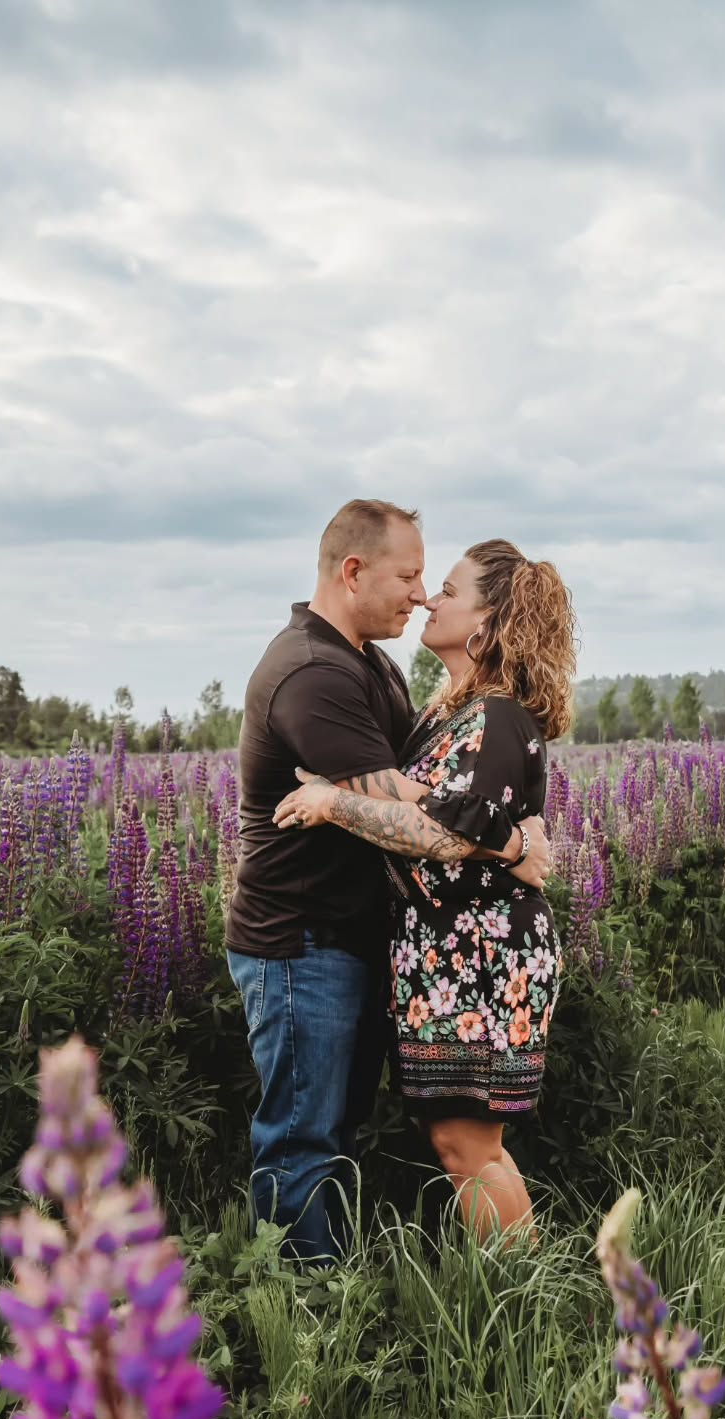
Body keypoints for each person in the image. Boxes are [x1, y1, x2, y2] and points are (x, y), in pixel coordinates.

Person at [225, 501, 551, 1262]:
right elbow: (409, 802)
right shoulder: (314, 673)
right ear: (353, 571)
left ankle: (519, 1293)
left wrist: (491, 833)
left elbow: (426, 803)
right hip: (303, 939)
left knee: (427, 1142)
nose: (421, 595)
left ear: (486, 626)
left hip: (418, 945)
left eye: (437, 584)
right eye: (410, 576)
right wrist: (505, 840)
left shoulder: (380, 668)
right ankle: (304, 1303)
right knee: (308, 1138)